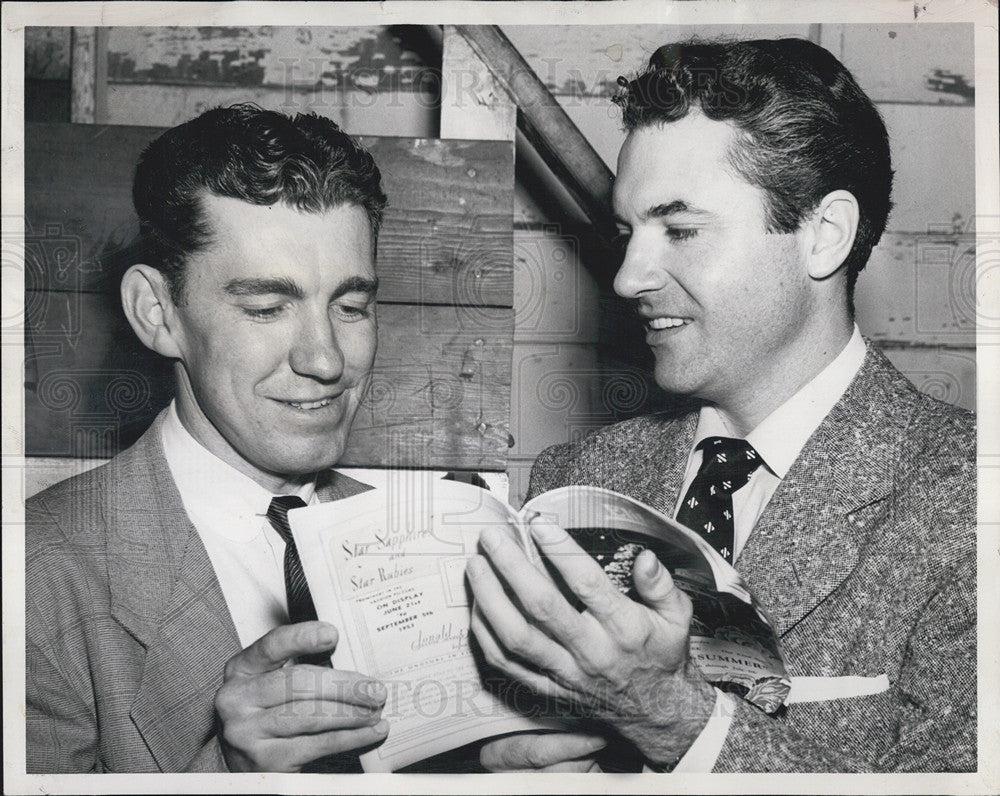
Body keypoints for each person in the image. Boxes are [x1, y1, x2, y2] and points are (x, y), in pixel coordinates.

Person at [468, 38, 976, 773]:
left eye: (680, 231)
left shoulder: (967, 504)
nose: (628, 277)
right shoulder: (572, 478)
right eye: (627, 233)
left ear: (822, 235)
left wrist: (678, 723)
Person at [26, 104, 394, 773]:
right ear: (157, 313)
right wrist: (230, 771)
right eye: (266, 308)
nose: (326, 359)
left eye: (351, 306)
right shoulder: (34, 578)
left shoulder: (421, 542)